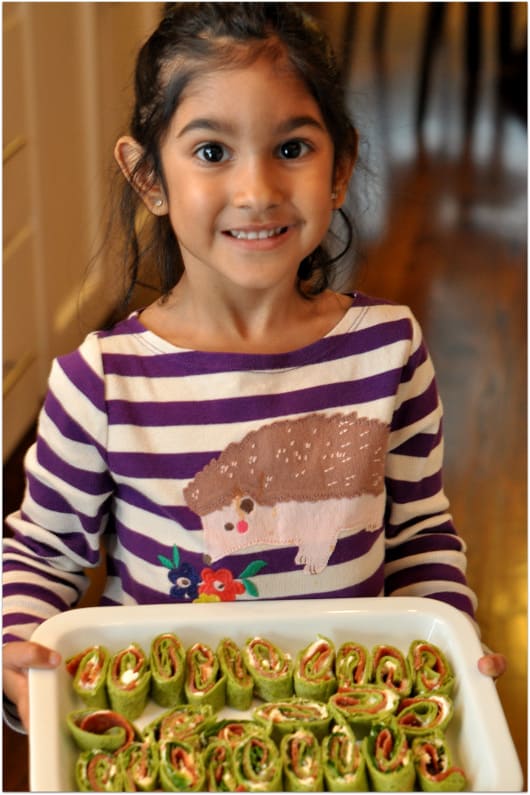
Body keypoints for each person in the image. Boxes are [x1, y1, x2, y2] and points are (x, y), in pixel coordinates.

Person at [3, 2, 505, 733]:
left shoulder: (388, 350)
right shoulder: (101, 385)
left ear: (341, 168)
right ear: (149, 178)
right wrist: (16, 648)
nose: (258, 190)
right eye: (212, 152)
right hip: (170, 739)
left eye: (293, 148)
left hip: (345, 729)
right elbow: (43, 552)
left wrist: (451, 645)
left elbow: (420, 536)